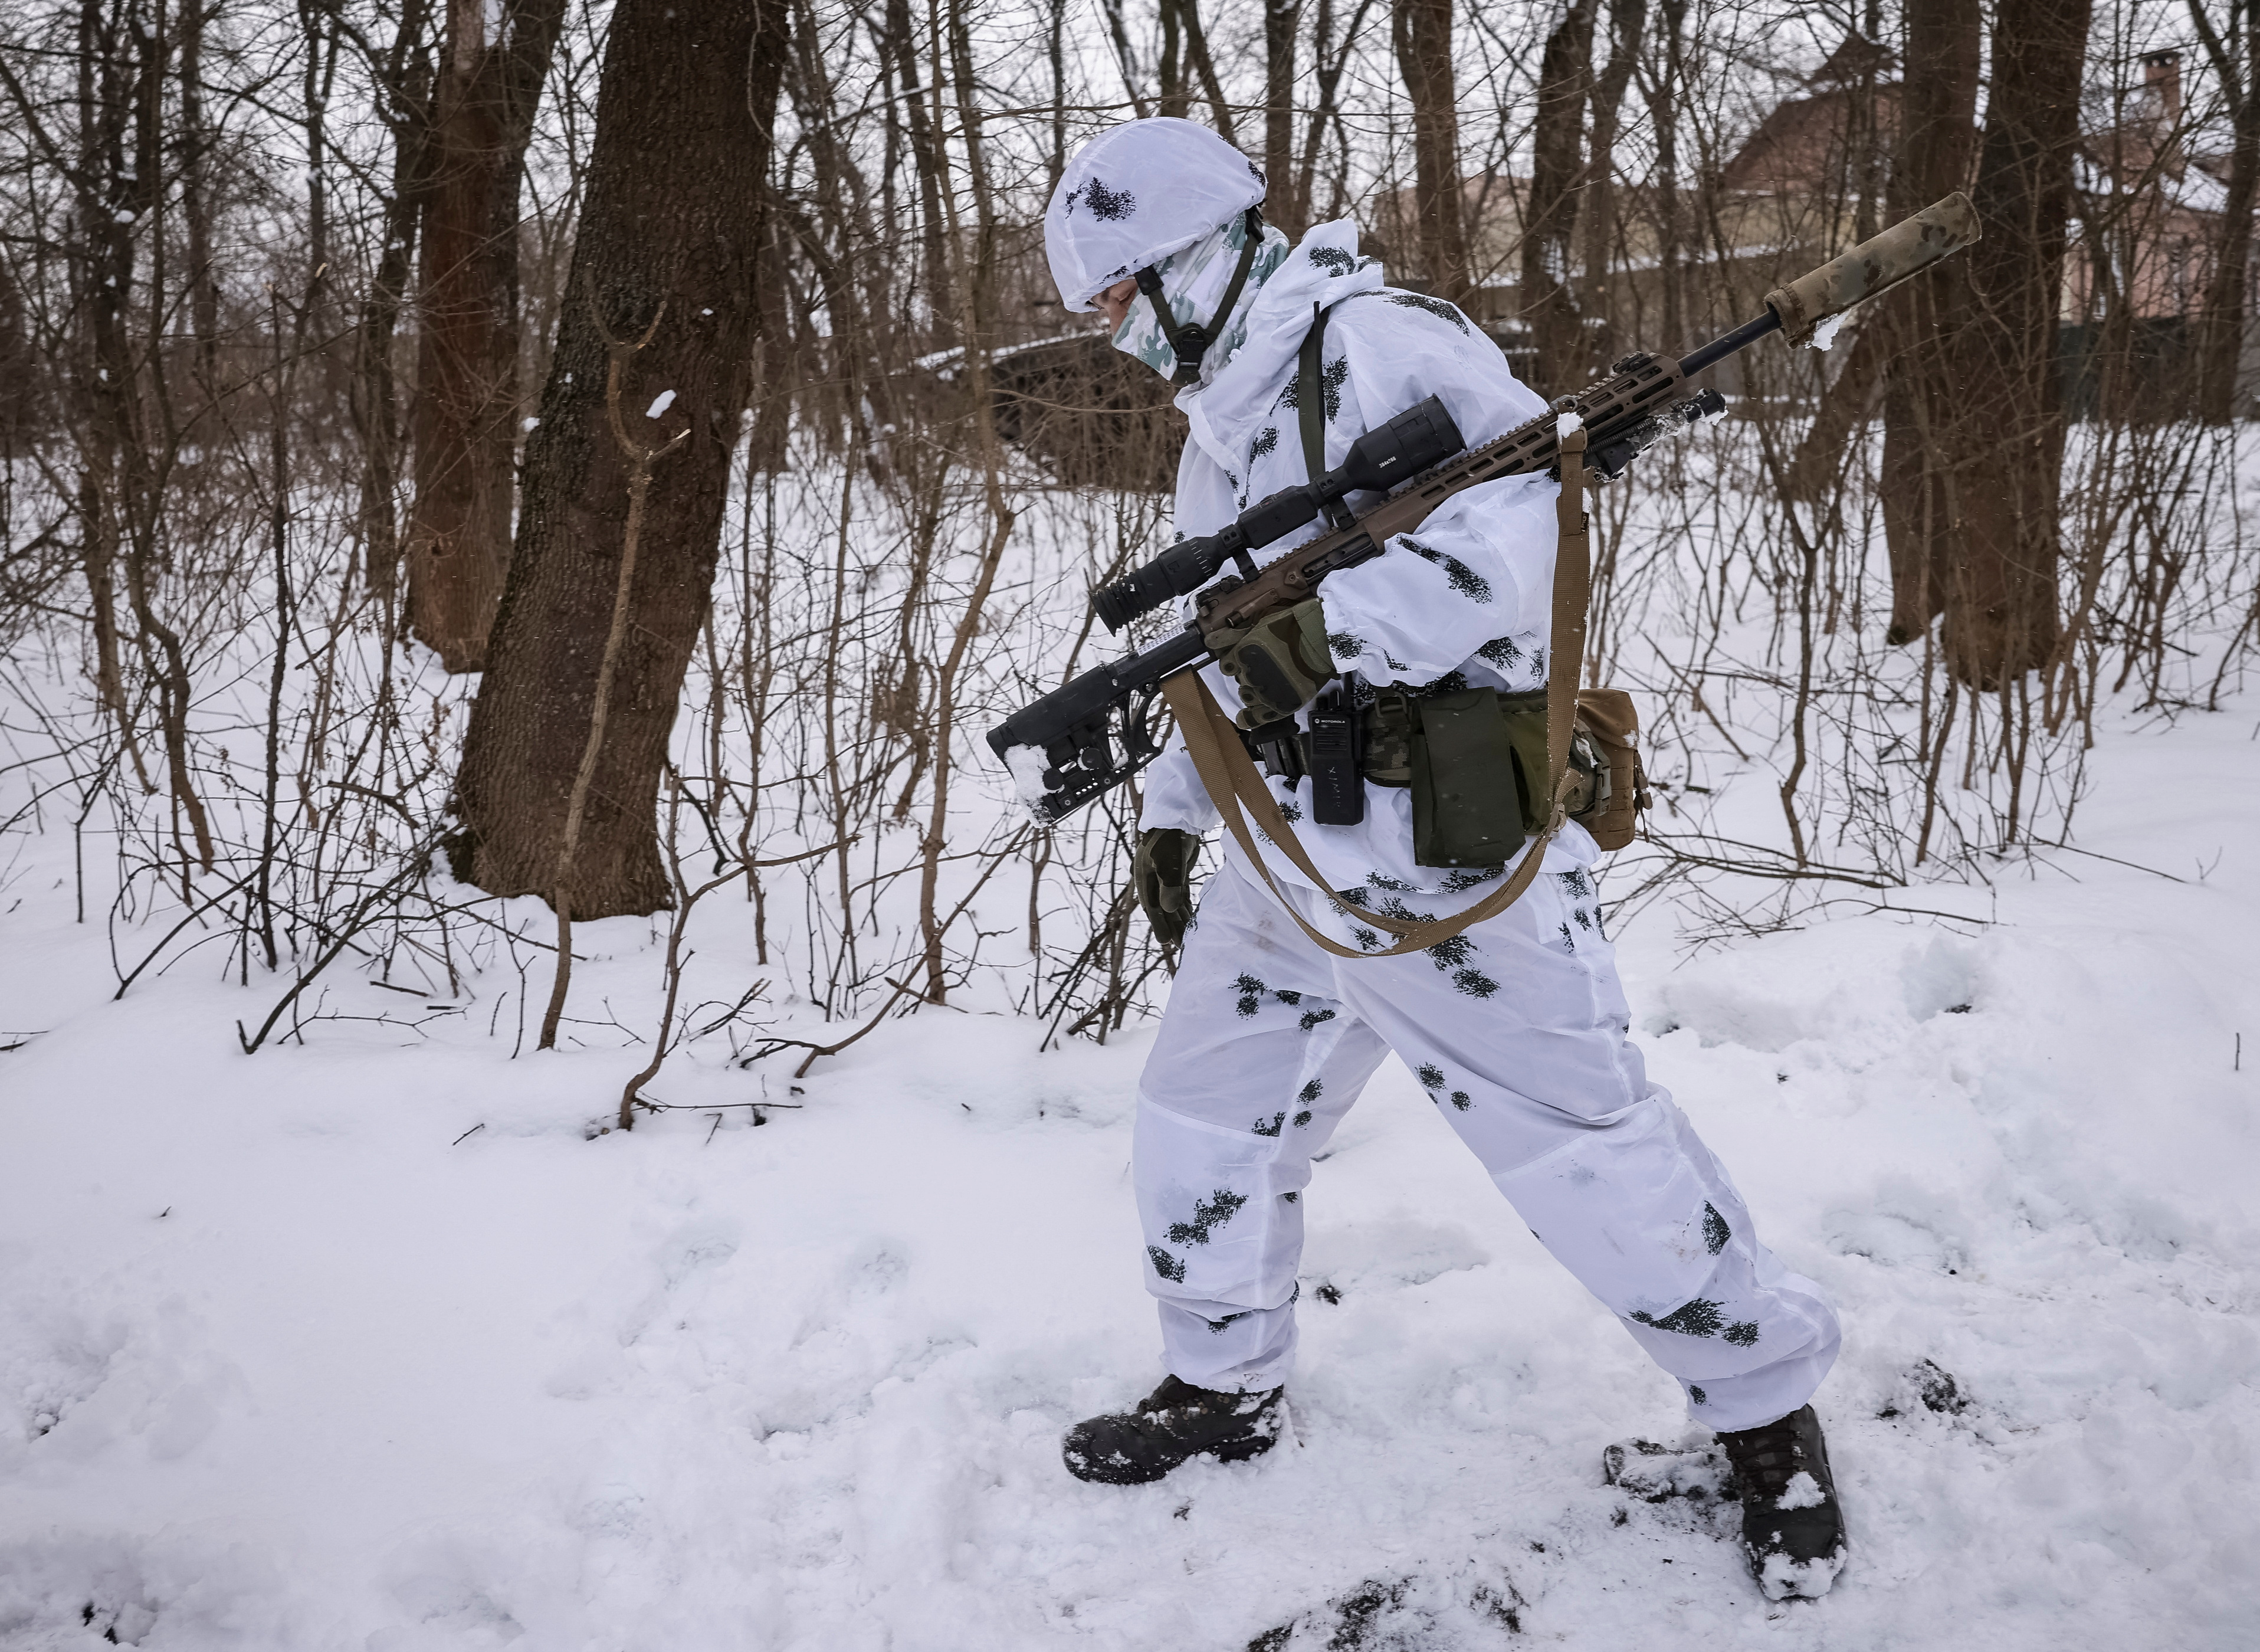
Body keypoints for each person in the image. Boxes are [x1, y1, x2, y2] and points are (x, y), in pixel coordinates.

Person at [1042, 117, 1848, 1601]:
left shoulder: (1377, 345)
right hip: (1285, 856)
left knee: (1582, 1147)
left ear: (1187, 257)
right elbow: (1205, 655)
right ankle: (1221, 1384)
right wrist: (1173, 813)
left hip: (1439, 855)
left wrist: (1297, 647)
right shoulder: (1225, 419)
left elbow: (1498, 556)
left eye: (1113, 297)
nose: (1110, 335)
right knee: (1202, 1119)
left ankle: (1762, 1420)